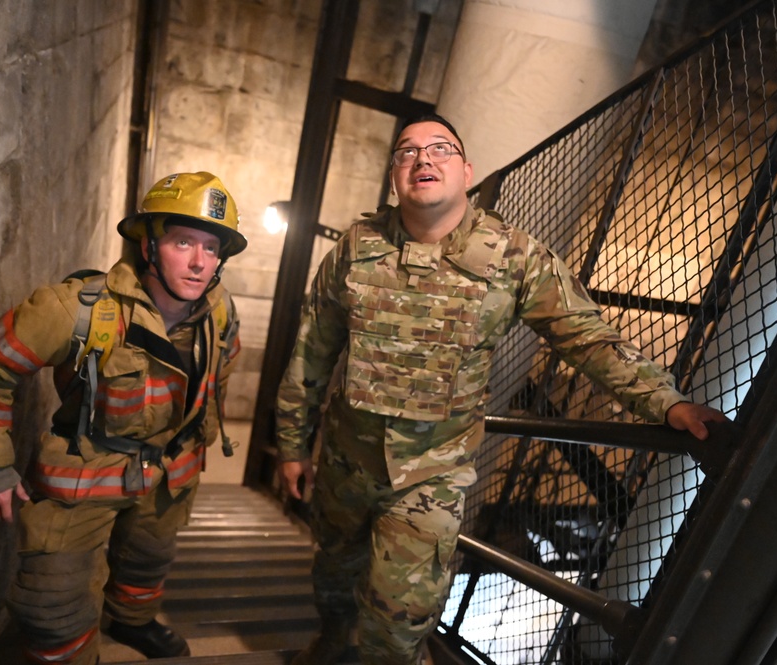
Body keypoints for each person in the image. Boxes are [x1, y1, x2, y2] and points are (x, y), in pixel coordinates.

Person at [275, 115, 727, 665]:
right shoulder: (355, 247)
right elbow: (311, 351)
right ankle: (328, 647)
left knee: (396, 628)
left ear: (466, 171)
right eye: (407, 151)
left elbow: (584, 336)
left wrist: (666, 401)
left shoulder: (514, 256)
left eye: (441, 149)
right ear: (394, 175)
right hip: (345, 462)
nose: (423, 159)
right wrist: (294, 445)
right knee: (332, 576)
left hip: (429, 479)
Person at [0, 172, 247, 664]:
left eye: (212, 248)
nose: (199, 262)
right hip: (86, 473)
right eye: (183, 242)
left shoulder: (219, 312)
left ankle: (133, 622)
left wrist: (198, 442)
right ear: (149, 243)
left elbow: (221, 372)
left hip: (171, 471)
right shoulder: (79, 308)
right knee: (49, 606)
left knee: (147, 560)